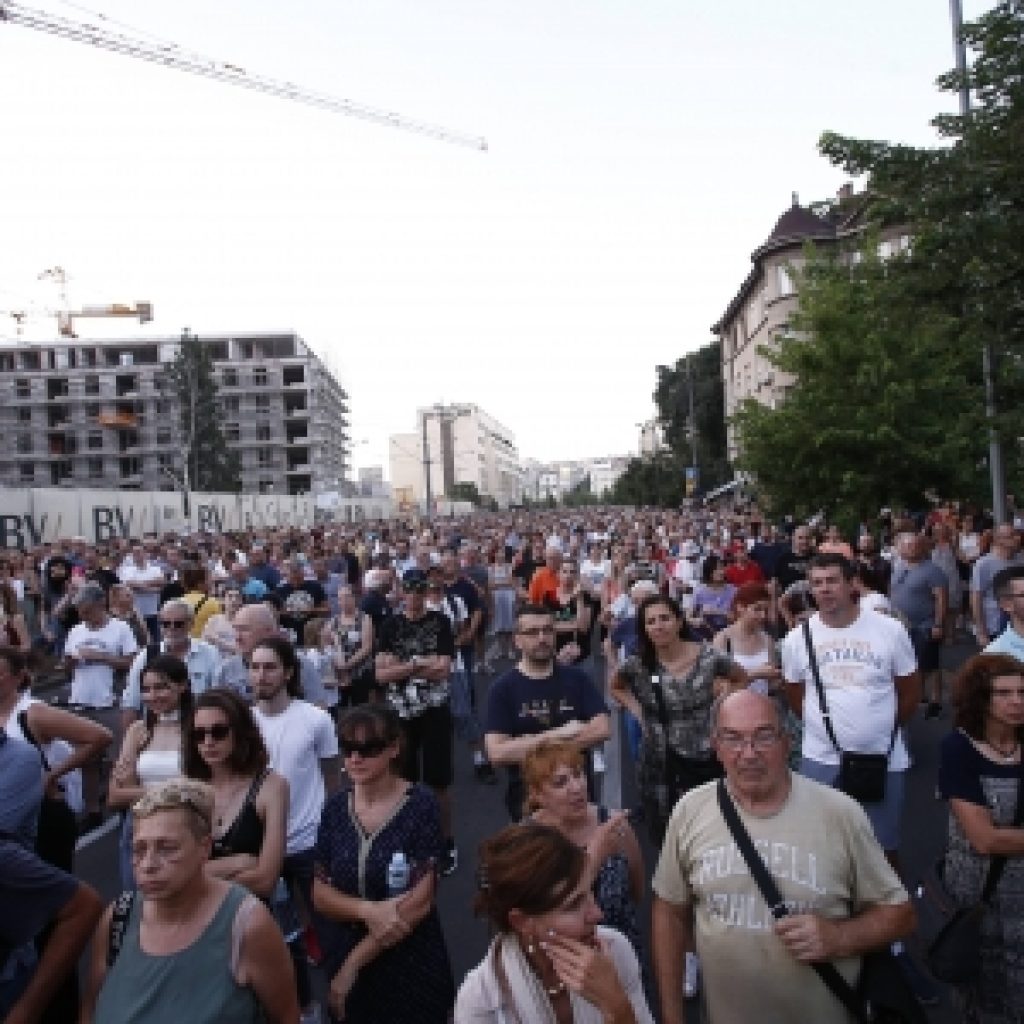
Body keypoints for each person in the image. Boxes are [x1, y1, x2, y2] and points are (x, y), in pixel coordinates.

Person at [651, 690, 915, 1024]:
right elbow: (669, 913)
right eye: (733, 739)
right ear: (715, 746)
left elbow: (900, 914)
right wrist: (672, 1017)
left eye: (763, 736)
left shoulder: (839, 813)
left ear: (787, 742)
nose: (748, 754)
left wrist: (839, 938)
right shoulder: (691, 810)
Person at [81, 778, 299, 1024]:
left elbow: (286, 1016)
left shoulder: (247, 926)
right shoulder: (118, 918)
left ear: (204, 848)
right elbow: (90, 1009)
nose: (148, 864)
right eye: (139, 849)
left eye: (167, 848)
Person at [312, 705, 455, 1024]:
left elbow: (419, 902)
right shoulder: (335, 808)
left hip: (411, 962)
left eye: (369, 748)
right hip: (347, 952)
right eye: (348, 749)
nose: (355, 759)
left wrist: (352, 965)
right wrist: (368, 911)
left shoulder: (421, 804)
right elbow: (320, 892)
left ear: (394, 748)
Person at [782, 553, 920, 862]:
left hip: (883, 756)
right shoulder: (796, 640)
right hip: (821, 757)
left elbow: (910, 691)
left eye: (832, 581)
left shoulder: (890, 630)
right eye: (817, 583)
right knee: (819, 847)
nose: (825, 589)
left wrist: (879, 730)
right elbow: (795, 695)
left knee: (882, 849)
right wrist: (825, 729)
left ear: (851, 584)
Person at [455, 822, 654, 1024]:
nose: (597, 914)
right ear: (522, 921)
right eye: (573, 905)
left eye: (589, 892)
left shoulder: (615, 951)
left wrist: (617, 1007)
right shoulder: (480, 1003)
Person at [250, 635, 340, 1021]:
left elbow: (332, 777)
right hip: (259, 849)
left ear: (288, 672)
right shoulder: (242, 723)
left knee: (331, 930)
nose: (260, 675)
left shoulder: (316, 719)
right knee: (275, 941)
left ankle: (340, 1002)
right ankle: (300, 1008)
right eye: (254, 667)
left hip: (308, 843)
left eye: (269, 667)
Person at [611, 594, 746, 840]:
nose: (658, 626)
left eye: (665, 618)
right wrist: (637, 710)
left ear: (679, 621)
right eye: (651, 621)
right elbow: (616, 685)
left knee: (710, 829)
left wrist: (724, 704)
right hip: (659, 764)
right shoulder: (638, 665)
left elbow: (740, 677)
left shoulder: (708, 657)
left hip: (705, 759)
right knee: (667, 834)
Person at [937, 653, 1024, 1022]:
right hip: (979, 894)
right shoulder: (958, 750)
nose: (1017, 701)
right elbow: (984, 840)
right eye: (1003, 693)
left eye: (1022, 692)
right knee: (984, 994)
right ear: (980, 699)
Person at [485, 603, 611, 821]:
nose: (542, 638)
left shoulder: (577, 678)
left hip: (578, 796)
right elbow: (497, 754)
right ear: (517, 640)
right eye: (532, 632)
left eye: (548, 630)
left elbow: (602, 729)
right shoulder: (502, 689)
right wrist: (561, 733)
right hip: (529, 801)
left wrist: (526, 745)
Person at [523, 739, 644, 955]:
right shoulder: (526, 841)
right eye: (560, 783)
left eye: (578, 774)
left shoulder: (615, 824)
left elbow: (637, 890)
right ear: (536, 794)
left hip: (619, 953)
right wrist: (594, 858)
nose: (577, 787)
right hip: (560, 959)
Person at [376, 568, 459, 872]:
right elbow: (380, 673)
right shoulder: (390, 625)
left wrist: (401, 665)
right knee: (404, 781)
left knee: (439, 781)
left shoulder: (440, 622)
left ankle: (446, 840)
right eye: (408, 590)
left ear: (426, 591)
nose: (413, 596)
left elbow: (444, 669)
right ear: (401, 592)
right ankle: (408, 839)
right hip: (401, 713)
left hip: (435, 710)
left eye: (419, 590)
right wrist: (419, 662)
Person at [184, 689, 288, 900]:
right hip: (194, 918)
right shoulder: (187, 789)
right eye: (199, 734)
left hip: (249, 917)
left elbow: (266, 880)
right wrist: (238, 863)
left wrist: (197, 878)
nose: (208, 741)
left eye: (219, 731)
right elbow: (175, 871)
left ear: (240, 732)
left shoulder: (272, 786)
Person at [108, 654, 193, 888]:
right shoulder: (137, 730)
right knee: (137, 901)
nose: (152, 696)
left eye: (161, 687)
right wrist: (173, 788)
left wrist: (136, 788)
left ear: (183, 686)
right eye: (146, 689)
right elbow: (115, 795)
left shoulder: (198, 729)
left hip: (182, 827)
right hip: (137, 826)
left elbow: (197, 789)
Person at [121, 598, 222, 728]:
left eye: (178, 624)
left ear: (191, 624)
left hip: (197, 729)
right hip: (156, 730)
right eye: (166, 624)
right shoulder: (147, 655)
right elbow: (131, 703)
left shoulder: (210, 653)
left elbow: (218, 698)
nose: (172, 628)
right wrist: (131, 740)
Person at [890, 533, 948, 719]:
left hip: (925, 625)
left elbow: (941, 598)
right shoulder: (898, 568)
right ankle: (919, 696)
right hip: (901, 627)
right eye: (906, 546)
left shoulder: (932, 571)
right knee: (911, 663)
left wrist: (938, 624)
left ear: (921, 548)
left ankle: (936, 701)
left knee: (930, 665)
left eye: (914, 545)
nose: (910, 549)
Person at [711, 582, 783, 694]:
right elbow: (719, 689)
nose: (763, 615)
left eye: (765, 610)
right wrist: (754, 675)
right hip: (734, 708)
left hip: (763, 705)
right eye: (757, 609)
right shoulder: (723, 640)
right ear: (740, 608)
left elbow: (772, 685)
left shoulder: (767, 639)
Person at [322, 584, 375, 709]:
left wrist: (347, 665)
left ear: (355, 598)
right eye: (340, 598)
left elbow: (367, 647)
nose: (344, 601)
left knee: (361, 708)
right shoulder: (333, 621)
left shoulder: (364, 618)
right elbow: (326, 645)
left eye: (347, 597)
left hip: (360, 671)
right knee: (342, 708)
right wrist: (339, 667)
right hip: (339, 674)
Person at [972, 523, 1023, 648]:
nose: (1017, 538)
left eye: (1017, 534)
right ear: (998, 540)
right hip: (994, 626)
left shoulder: (1021, 560)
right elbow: (976, 598)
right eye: (1011, 536)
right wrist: (981, 631)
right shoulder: (983, 564)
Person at [688, 555, 736, 640]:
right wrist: (695, 621)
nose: (721, 572)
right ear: (709, 572)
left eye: (722, 568)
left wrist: (716, 612)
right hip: (706, 634)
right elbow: (688, 616)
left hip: (728, 633)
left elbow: (736, 617)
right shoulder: (699, 591)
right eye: (717, 569)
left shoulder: (733, 590)